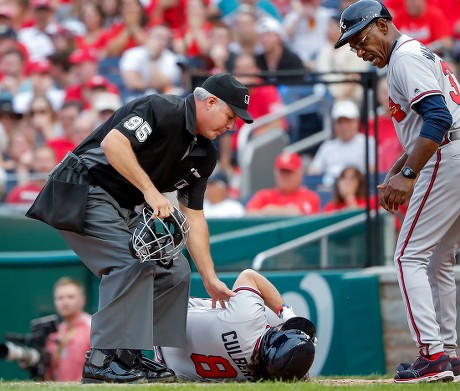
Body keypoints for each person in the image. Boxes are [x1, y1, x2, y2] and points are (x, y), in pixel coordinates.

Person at [27, 72, 254, 384]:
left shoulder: (205, 153)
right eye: (230, 115)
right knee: (129, 262)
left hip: (123, 204)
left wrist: (210, 277)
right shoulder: (162, 109)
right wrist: (150, 192)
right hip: (82, 187)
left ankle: (130, 356)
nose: (231, 126)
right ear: (210, 102)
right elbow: (114, 143)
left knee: (174, 271)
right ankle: (101, 360)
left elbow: (195, 215)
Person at [335, 0, 460, 383]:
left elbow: (438, 117)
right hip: (452, 151)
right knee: (438, 259)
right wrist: (397, 170)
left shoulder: (403, 58)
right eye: (353, 45)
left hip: (446, 153)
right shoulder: (415, 55)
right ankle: (449, 353)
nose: (359, 49)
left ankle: (432, 355)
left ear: (384, 24)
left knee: (407, 257)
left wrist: (408, 173)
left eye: (361, 37)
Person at [159, 268, 316, 381]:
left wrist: (287, 313)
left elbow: (249, 275)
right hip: (168, 367)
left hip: (168, 320)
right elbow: (286, 365)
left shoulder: (247, 320)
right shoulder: (261, 378)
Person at [307, 100, 376, 187]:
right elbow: (313, 171)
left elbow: (373, 172)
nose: (344, 127)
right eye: (340, 122)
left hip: (359, 191)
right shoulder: (327, 147)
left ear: (356, 122)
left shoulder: (368, 143)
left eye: (348, 121)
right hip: (331, 191)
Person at [44, 277, 91, 381]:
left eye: (70, 297)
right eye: (60, 298)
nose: (65, 302)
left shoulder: (92, 328)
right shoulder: (54, 333)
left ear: (82, 300)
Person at [246, 151, 320, 216]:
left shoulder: (310, 196)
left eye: (289, 172)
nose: (285, 176)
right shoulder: (263, 195)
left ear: (299, 174)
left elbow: (297, 213)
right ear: (275, 173)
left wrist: (268, 211)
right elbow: (249, 214)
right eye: (282, 172)